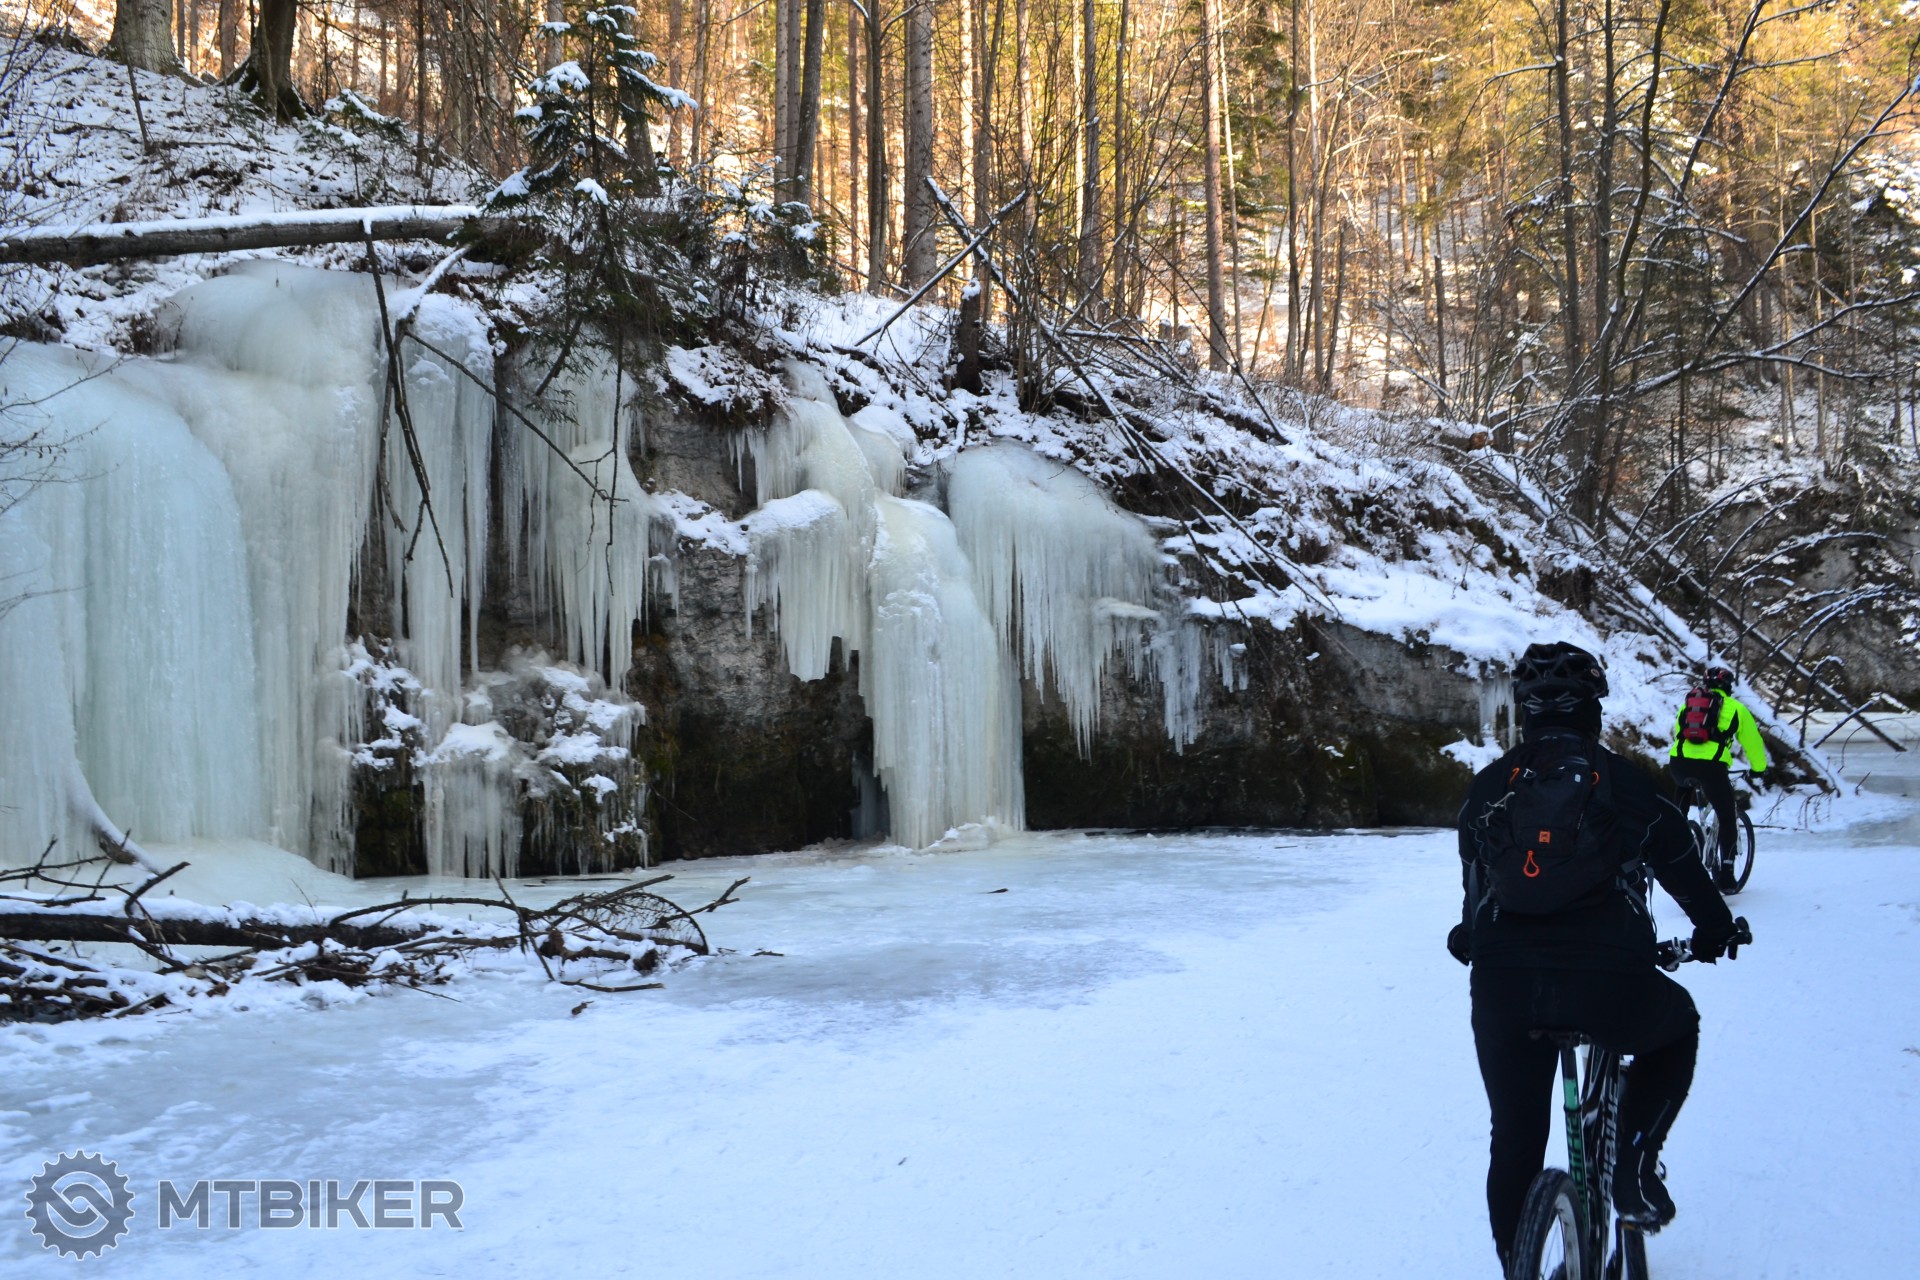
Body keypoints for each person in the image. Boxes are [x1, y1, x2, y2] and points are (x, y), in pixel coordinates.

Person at [1450, 641, 1747, 1268]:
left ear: (1525, 712)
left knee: (1515, 1139)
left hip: (1504, 983)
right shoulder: (1626, 783)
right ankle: (1634, 1168)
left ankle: (1519, 1265)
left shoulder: (1487, 786)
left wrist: (1471, 936)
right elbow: (1685, 873)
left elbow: (1476, 891)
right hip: (1607, 977)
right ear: (1593, 711)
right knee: (1676, 1027)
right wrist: (1715, 931)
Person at [1669, 665, 1767, 888]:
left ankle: (1677, 842)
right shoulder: (1736, 708)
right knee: (1727, 816)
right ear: (1728, 686)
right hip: (1710, 767)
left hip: (1679, 764)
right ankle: (1727, 876)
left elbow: (1678, 733)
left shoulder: (1689, 705)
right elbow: (1753, 743)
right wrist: (1758, 769)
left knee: (1678, 815)